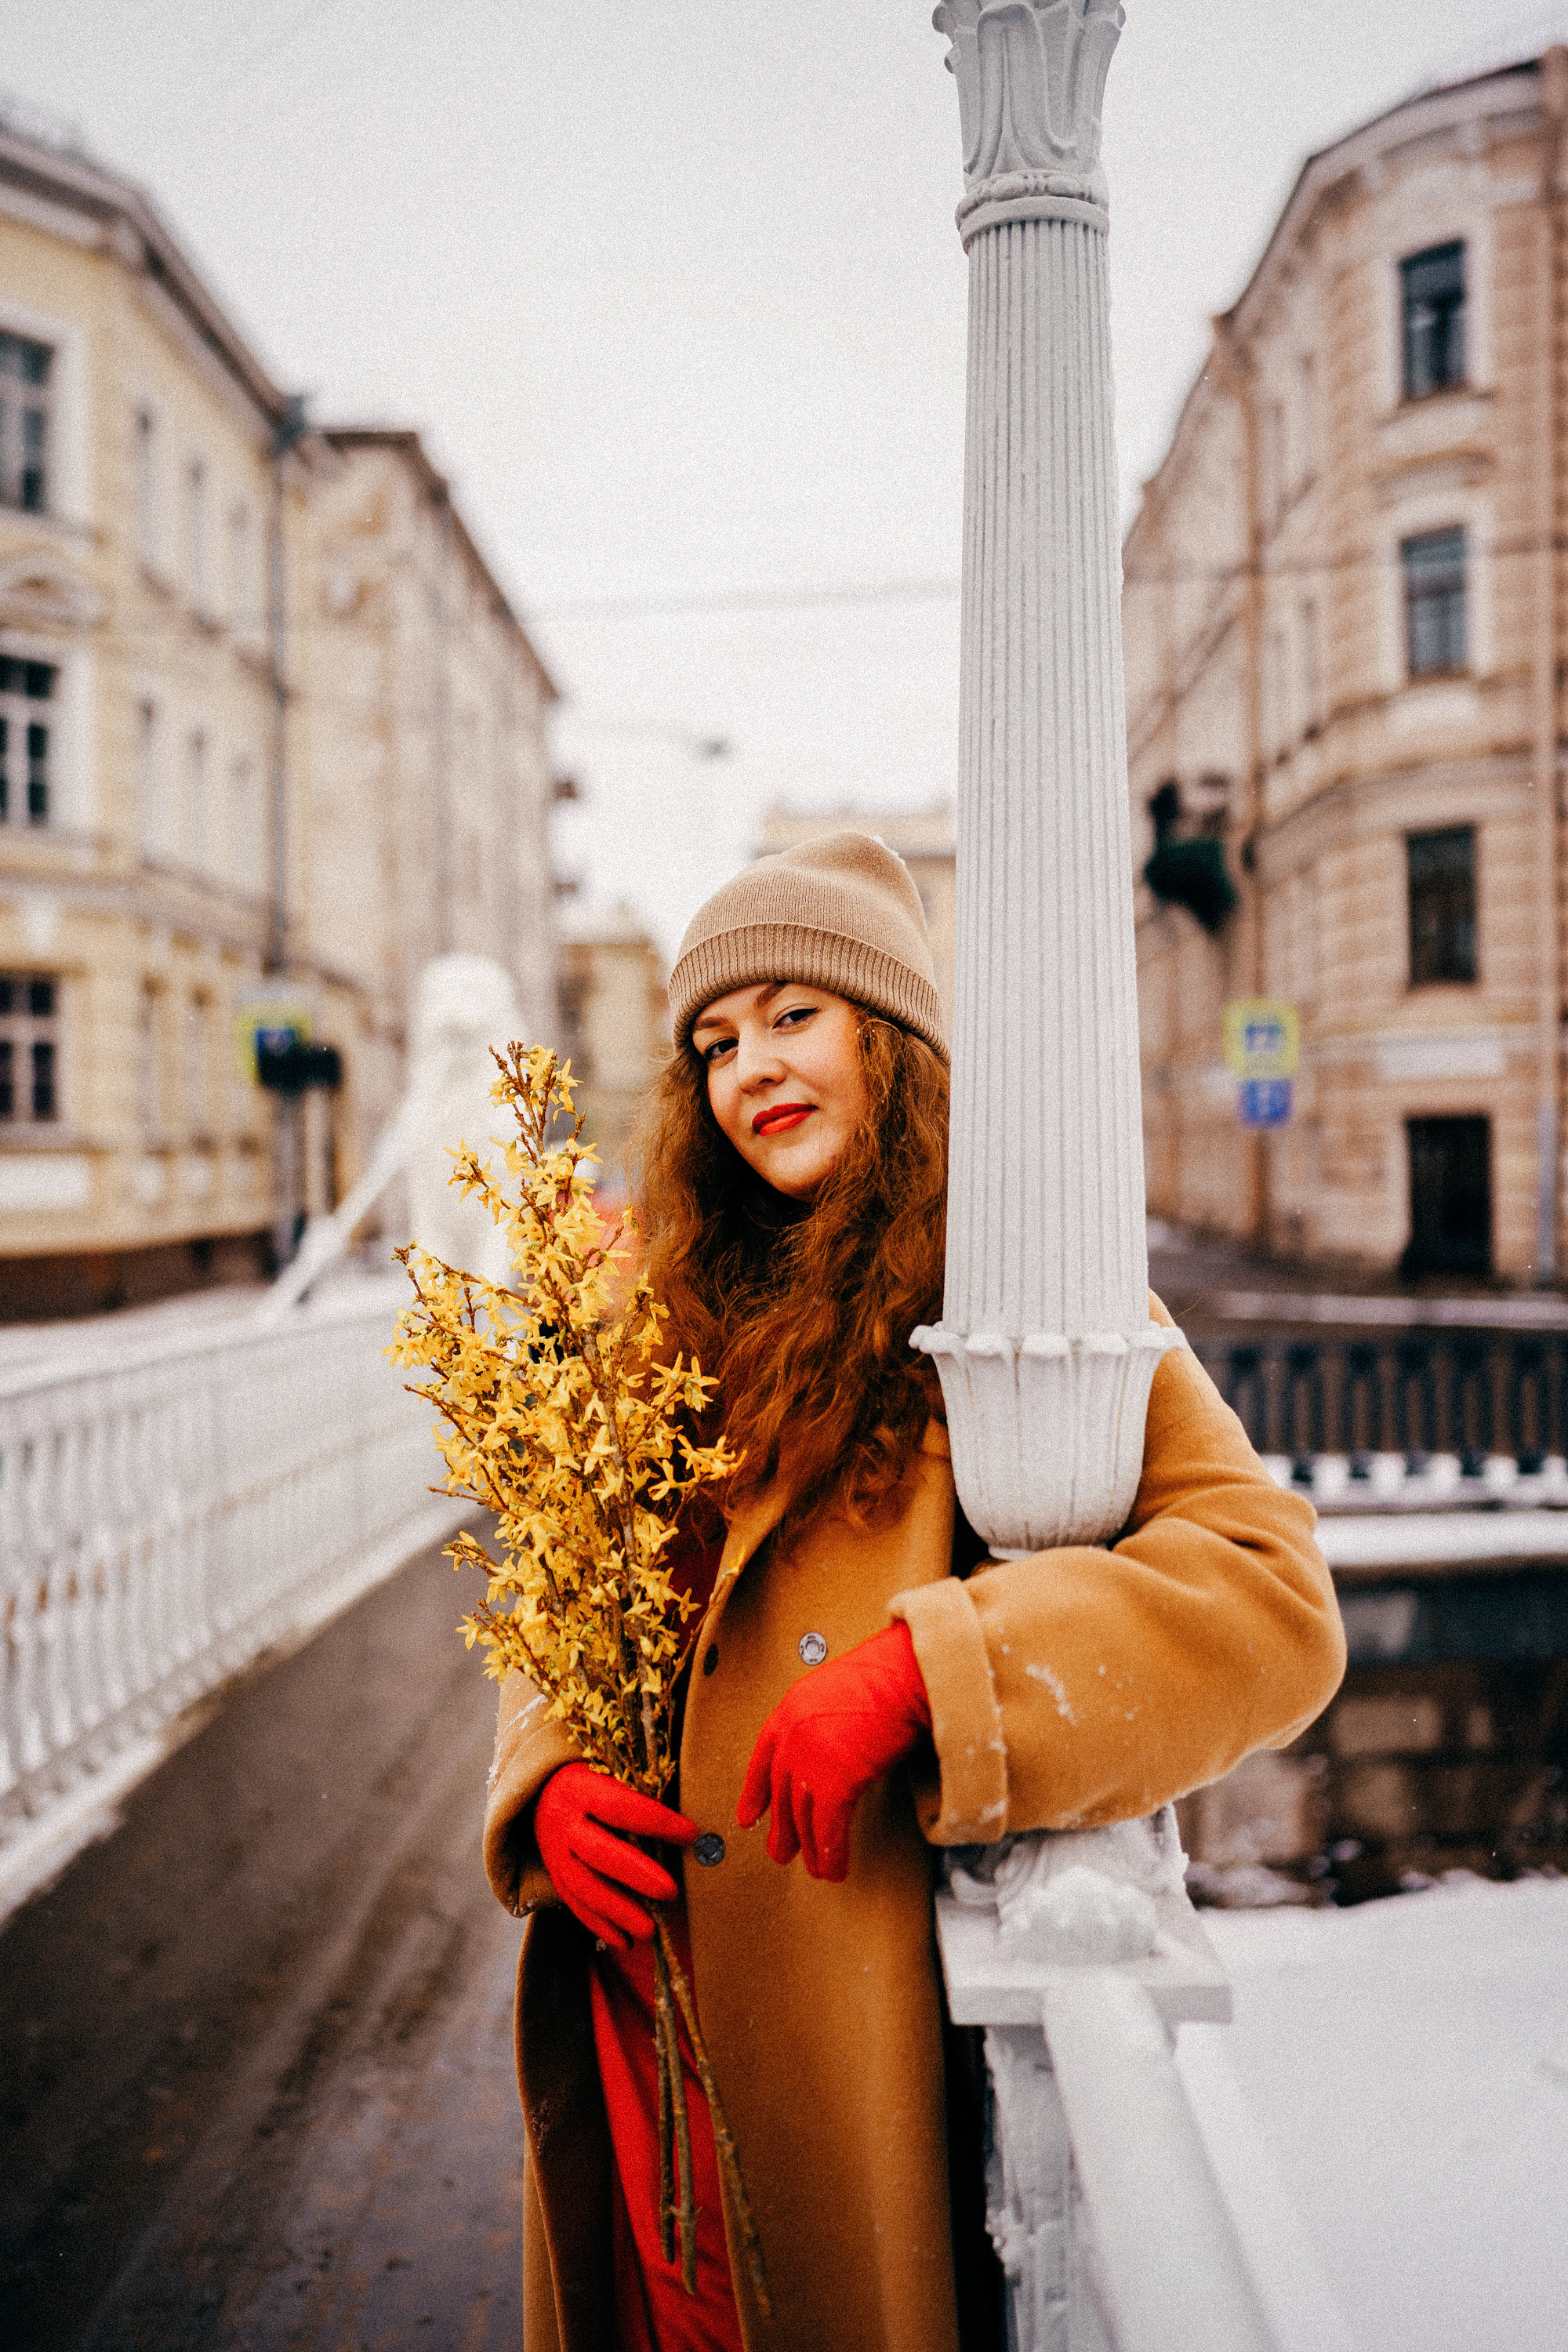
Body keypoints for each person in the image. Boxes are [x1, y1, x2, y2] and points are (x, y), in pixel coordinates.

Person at [481, 832, 1345, 2352]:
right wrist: (543, 1779)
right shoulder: (653, 1309)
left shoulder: (1028, 1298)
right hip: (646, 2030)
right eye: (715, 1040)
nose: (752, 1066)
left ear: (894, 1038)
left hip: (844, 2042)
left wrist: (929, 1676)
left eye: (795, 1015)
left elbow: (1271, 1602)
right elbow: (562, 1588)